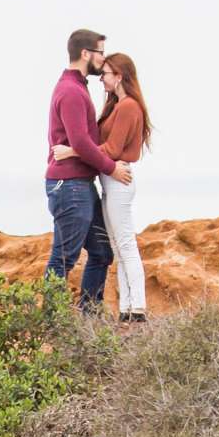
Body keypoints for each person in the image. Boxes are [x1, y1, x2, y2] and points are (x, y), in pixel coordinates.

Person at [59, 51, 152, 322]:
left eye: (106, 74)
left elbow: (111, 149)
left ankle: (138, 307)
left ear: (120, 76)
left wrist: (72, 151)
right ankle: (127, 308)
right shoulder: (117, 105)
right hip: (111, 180)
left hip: (118, 180)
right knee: (118, 245)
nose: (102, 79)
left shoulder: (128, 107)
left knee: (125, 244)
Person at [45, 28, 131, 311]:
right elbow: (81, 140)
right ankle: (51, 324)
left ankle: (89, 318)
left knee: (101, 252)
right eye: (100, 53)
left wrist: (78, 150)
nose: (102, 59)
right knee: (64, 257)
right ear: (85, 54)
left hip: (81, 185)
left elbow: (81, 142)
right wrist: (111, 168)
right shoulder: (70, 91)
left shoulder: (78, 87)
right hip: (69, 186)